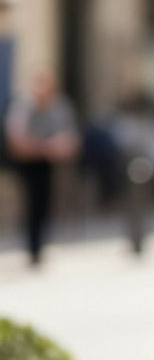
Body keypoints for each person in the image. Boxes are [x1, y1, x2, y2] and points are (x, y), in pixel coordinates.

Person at [3, 68, 80, 264]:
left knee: (44, 202)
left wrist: (58, 147)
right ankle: (32, 246)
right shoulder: (23, 105)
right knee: (31, 201)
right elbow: (16, 141)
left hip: (47, 162)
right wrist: (45, 147)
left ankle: (38, 245)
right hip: (26, 162)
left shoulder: (59, 106)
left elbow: (72, 138)